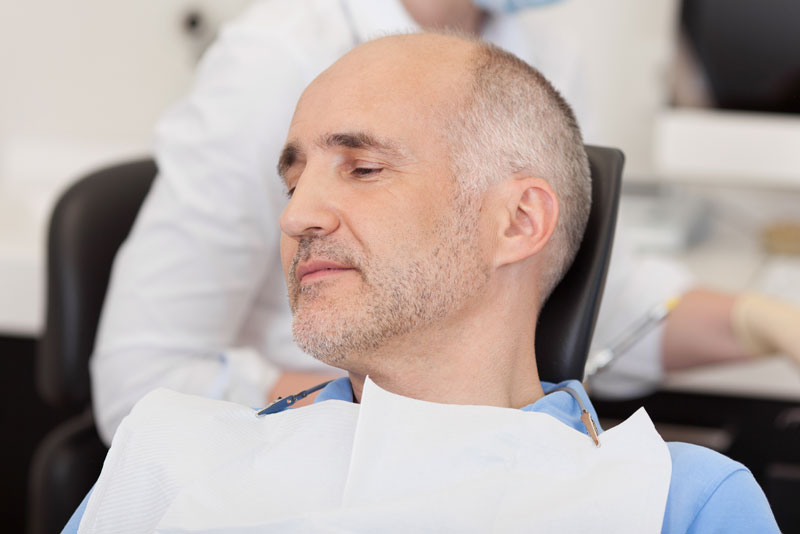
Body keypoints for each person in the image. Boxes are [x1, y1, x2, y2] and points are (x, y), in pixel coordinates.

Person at [67, 33, 777, 533]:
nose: (297, 217)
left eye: (364, 169)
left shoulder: (669, 504)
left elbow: (632, 305)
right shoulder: (169, 452)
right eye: (291, 182)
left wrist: (763, 318)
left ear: (517, 221)